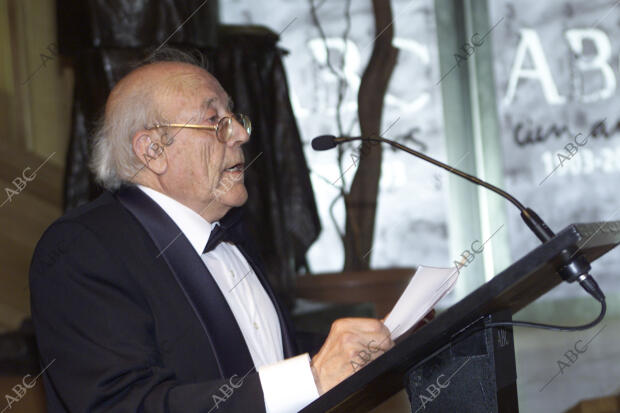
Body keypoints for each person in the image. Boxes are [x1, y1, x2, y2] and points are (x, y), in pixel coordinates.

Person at [29, 49, 394, 413]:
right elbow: (122, 405)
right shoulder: (83, 248)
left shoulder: (231, 229)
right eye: (214, 120)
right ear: (153, 150)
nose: (239, 134)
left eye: (234, 117)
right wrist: (310, 377)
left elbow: (258, 352)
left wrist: (367, 343)